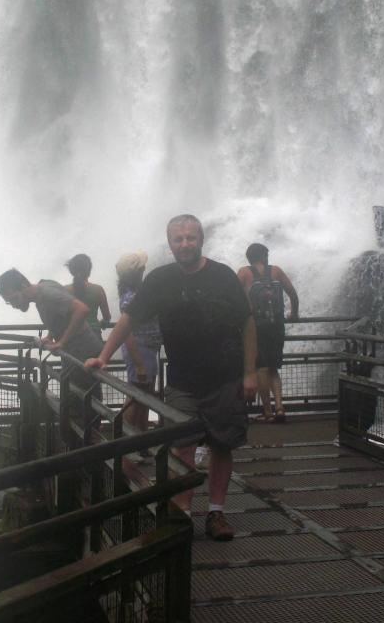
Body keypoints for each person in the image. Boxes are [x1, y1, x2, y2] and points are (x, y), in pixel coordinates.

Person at [85, 215, 257, 541]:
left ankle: (216, 513)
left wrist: (250, 373)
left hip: (226, 377)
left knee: (223, 445)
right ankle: (182, 513)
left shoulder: (222, 275)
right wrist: (103, 356)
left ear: (201, 239)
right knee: (182, 447)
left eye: (190, 238)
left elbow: (248, 323)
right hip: (182, 380)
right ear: (170, 243)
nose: (185, 244)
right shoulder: (161, 279)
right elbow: (129, 319)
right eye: (178, 239)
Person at [0, 268, 104, 391]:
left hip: (84, 354)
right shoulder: (42, 291)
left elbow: (81, 309)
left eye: (14, 298)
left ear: (23, 285)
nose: (14, 305)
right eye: (9, 302)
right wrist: (49, 336)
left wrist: (61, 342)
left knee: (81, 404)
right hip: (75, 354)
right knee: (75, 401)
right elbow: (60, 316)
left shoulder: (47, 294)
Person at [237, 243, 299, 423]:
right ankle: (280, 407)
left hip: (256, 327)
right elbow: (293, 294)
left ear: (249, 257)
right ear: (264, 255)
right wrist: (294, 314)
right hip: (277, 325)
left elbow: (233, 296)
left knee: (260, 368)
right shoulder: (276, 271)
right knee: (273, 367)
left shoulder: (244, 273)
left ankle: (268, 412)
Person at [115, 251, 163, 433]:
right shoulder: (130, 297)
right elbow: (127, 334)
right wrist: (139, 364)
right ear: (138, 272)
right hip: (140, 351)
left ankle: (141, 442)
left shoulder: (136, 293)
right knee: (135, 398)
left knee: (145, 398)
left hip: (148, 350)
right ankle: (125, 446)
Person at [65, 254, 111, 334]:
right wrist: (101, 323)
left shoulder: (64, 290)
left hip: (71, 338)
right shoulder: (98, 290)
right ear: (89, 270)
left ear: (72, 271)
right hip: (93, 337)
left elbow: (58, 315)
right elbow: (107, 317)